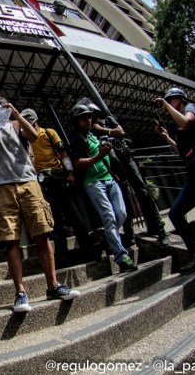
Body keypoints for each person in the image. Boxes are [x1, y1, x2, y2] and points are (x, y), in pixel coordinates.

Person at [0, 98, 80, 316]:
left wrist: (16, 113)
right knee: (10, 240)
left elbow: (34, 136)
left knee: (42, 234)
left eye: (2, 107)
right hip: (1, 187)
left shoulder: (19, 125)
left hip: (28, 182)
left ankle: (53, 285)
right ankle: (20, 292)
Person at [78, 98, 170, 248]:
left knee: (142, 191)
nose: (89, 117)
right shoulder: (88, 131)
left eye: (91, 114)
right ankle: (130, 236)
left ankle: (161, 232)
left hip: (125, 157)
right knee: (124, 198)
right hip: (112, 164)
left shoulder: (107, 120)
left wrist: (101, 129)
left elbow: (121, 132)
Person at [154, 87, 195, 274]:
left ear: (179, 99)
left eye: (172, 101)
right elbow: (181, 152)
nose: (170, 105)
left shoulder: (191, 108)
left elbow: (187, 122)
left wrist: (166, 104)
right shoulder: (179, 127)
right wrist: (166, 137)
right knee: (175, 213)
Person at [20, 108, 96, 266]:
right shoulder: (24, 138)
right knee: (53, 220)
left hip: (59, 177)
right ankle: (62, 256)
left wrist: (70, 172)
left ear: (35, 121)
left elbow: (62, 153)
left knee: (73, 214)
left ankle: (88, 249)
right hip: (42, 182)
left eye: (30, 123)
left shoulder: (48, 132)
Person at [68, 104, 137, 273]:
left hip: (110, 179)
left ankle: (107, 239)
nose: (88, 120)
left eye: (89, 117)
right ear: (77, 121)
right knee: (109, 217)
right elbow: (78, 163)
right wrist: (99, 155)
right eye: (84, 118)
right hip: (93, 182)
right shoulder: (76, 139)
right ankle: (121, 257)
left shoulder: (93, 135)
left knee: (122, 213)